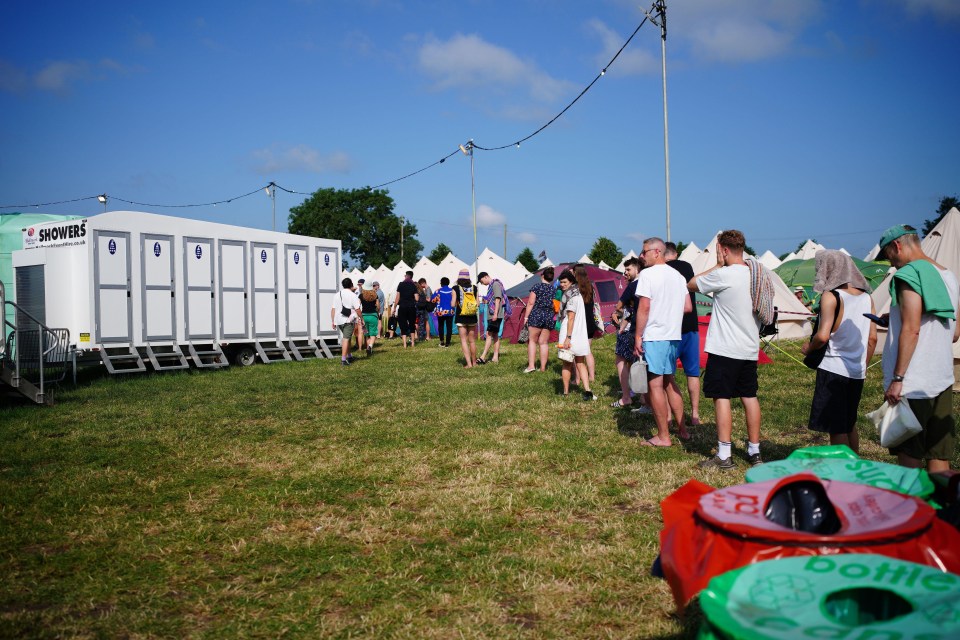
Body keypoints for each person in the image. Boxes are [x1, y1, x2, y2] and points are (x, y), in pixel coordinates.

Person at [878, 224, 959, 473]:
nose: (891, 263)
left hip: (913, 382)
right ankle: (943, 509)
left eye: (889, 255)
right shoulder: (949, 276)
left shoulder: (909, 275)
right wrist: (892, 322)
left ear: (897, 246)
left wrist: (898, 378)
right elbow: (954, 333)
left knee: (909, 455)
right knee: (938, 455)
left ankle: (911, 508)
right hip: (941, 378)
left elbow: (912, 329)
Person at [688, 230, 764, 470]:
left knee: (722, 397)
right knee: (749, 397)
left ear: (723, 249)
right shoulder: (756, 274)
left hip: (725, 348)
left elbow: (690, 284)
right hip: (749, 346)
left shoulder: (724, 275)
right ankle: (754, 450)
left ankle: (724, 454)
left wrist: (717, 266)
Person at [800, 250, 877, 454]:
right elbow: (872, 338)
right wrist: (863, 365)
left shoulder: (831, 296)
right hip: (857, 372)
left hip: (833, 369)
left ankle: (844, 474)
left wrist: (809, 348)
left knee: (836, 427)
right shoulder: (867, 298)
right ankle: (855, 466)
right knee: (849, 422)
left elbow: (823, 335)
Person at [634, 238, 692, 447]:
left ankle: (663, 436)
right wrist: (669, 310)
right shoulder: (677, 275)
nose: (641, 256)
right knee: (669, 382)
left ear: (656, 252)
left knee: (655, 385)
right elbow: (687, 307)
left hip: (655, 335)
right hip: (673, 335)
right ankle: (683, 430)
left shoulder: (647, 274)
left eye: (644, 252)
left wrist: (638, 335)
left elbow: (644, 307)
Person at [665, 242, 703, 426]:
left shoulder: (661, 269)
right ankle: (695, 414)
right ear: (676, 253)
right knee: (693, 373)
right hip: (691, 326)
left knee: (667, 375)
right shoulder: (687, 267)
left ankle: (669, 416)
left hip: (670, 328)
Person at [557, 269, 595, 400]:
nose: (562, 284)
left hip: (570, 332)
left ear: (571, 281)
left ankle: (566, 392)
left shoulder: (570, 296)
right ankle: (588, 390)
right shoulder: (579, 293)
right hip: (580, 332)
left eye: (564, 282)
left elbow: (570, 317)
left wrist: (568, 337)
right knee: (580, 362)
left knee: (567, 363)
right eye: (560, 282)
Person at [611, 258, 641, 408]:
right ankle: (637, 393)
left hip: (630, 328)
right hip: (643, 329)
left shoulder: (633, 285)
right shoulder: (648, 283)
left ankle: (626, 396)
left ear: (637, 269)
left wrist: (620, 312)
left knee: (621, 361)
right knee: (636, 362)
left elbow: (619, 305)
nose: (626, 273)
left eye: (628, 270)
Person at [520, 267, 556, 373]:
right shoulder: (554, 289)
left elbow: (531, 303)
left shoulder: (536, 287)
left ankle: (531, 366)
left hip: (536, 315)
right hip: (549, 316)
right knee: (543, 343)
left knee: (532, 341)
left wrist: (526, 317)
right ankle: (543, 368)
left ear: (542, 276)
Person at [572, 264, 598, 384]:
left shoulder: (574, 289)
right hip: (590, 322)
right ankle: (591, 376)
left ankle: (577, 379)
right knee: (587, 351)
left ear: (575, 273)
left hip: (579, 323)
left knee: (576, 353)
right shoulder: (590, 287)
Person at [331, 277, 361, 366]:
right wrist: (361, 318)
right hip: (349, 320)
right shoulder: (353, 295)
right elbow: (358, 309)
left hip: (338, 320)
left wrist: (333, 321)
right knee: (346, 339)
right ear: (351, 285)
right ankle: (343, 360)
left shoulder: (337, 295)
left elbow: (333, 309)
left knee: (347, 338)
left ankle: (349, 356)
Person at [477, 272, 505, 365]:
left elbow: (498, 299)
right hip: (493, 314)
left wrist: (495, 314)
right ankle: (495, 357)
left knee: (489, 335)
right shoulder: (492, 285)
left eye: (482, 281)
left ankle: (483, 356)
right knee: (495, 335)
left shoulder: (495, 284)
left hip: (495, 314)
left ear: (486, 277)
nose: (482, 283)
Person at [453, 269, 479, 367]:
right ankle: (474, 363)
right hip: (472, 316)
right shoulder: (474, 288)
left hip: (461, 317)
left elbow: (453, 303)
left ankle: (469, 364)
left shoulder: (455, 288)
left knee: (464, 340)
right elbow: (478, 304)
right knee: (472, 340)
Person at [392, 270, 419, 348]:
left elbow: (397, 298)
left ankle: (404, 344)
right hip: (411, 307)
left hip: (402, 307)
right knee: (412, 325)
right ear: (412, 277)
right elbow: (416, 298)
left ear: (406, 276)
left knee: (402, 325)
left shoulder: (400, 284)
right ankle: (413, 343)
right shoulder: (413, 285)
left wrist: (394, 308)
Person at [432, 277, 456, 347]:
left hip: (440, 312)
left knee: (441, 326)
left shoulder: (438, 291)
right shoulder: (452, 291)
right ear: (448, 283)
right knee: (449, 327)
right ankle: (448, 343)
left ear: (441, 283)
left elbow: (433, 300)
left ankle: (442, 342)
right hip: (450, 311)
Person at [359, 282, 381, 357]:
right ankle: (370, 346)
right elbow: (378, 306)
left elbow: (358, 305)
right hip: (373, 316)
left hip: (364, 316)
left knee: (367, 334)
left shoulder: (361, 295)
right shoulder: (375, 295)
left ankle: (369, 348)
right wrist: (377, 311)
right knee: (373, 333)